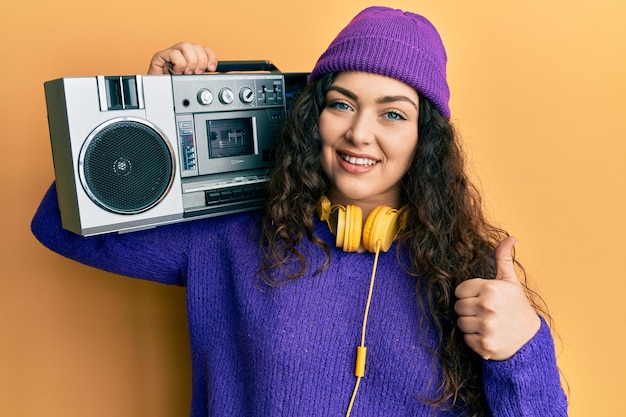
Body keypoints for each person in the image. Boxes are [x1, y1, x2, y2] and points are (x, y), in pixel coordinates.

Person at [31, 6, 568, 417]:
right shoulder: (233, 234)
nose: (360, 132)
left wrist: (523, 348)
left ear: (424, 138)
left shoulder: (470, 274)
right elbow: (62, 224)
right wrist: (151, 115)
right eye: (342, 104)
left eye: (393, 114)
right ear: (314, 116)